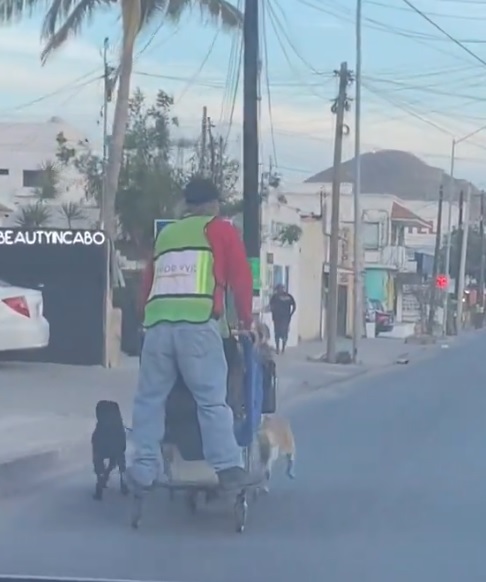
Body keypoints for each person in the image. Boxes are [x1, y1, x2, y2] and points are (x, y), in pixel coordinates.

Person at [129, 177, 261, 493]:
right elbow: (240, 280)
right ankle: (228, 466)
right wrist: (246, 320)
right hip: (198, 327)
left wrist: (142, 319)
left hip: (158, 328)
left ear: (185, 206)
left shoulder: (167, 234)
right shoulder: (221, 231)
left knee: (150, 400)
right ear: (214, 205)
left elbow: (147, 284)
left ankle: (144, 469)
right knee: (211, 401)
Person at [269, 284, 296, 354]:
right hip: (279, 318)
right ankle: (278, 348)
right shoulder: (276, 297)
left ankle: (282, 348)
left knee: (282, 333)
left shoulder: (287, 296)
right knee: (279, 333)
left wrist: (291, 314)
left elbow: (294, 306)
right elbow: (271, 305)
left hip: (283, 318)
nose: (279, 290)